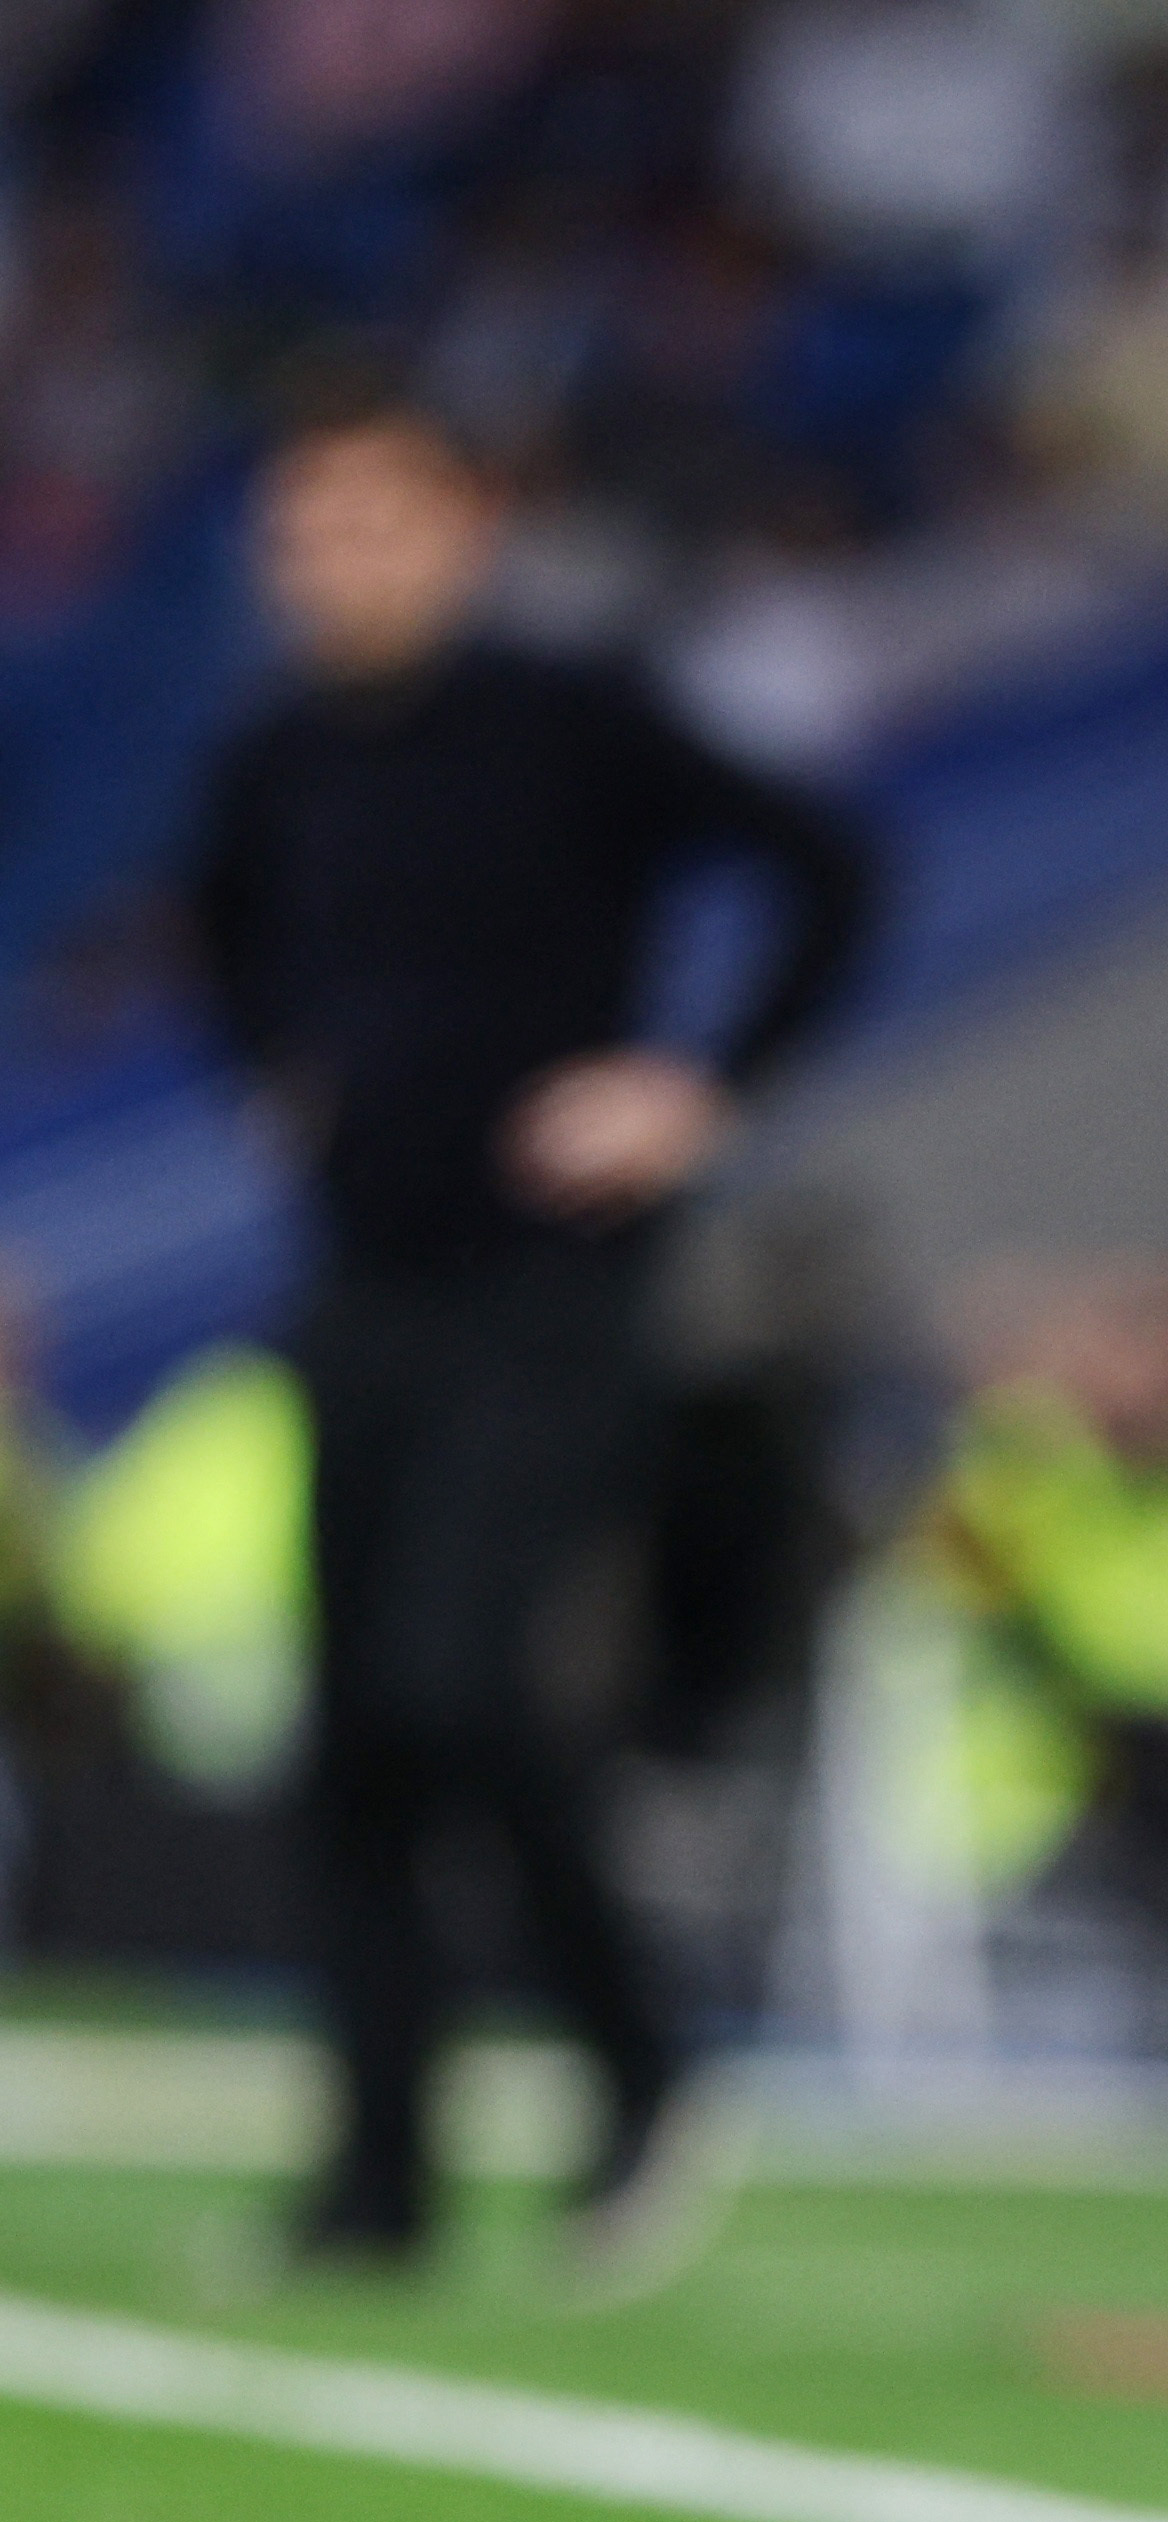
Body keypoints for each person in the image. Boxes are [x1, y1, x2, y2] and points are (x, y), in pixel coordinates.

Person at [186, 391, 876, 2276]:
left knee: (462, 1679)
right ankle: (375, 2186)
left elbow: (827, 867)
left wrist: (699, 1085)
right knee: (352, 1743)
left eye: (379, 524)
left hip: (557, 1287)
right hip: (364, 1281)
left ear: (465, 532)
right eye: (309, 532)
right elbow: (226, 931)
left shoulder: (570, 718)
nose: (343, 564)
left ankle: (647, 2070)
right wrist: (277, 1075)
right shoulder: (276, 754)